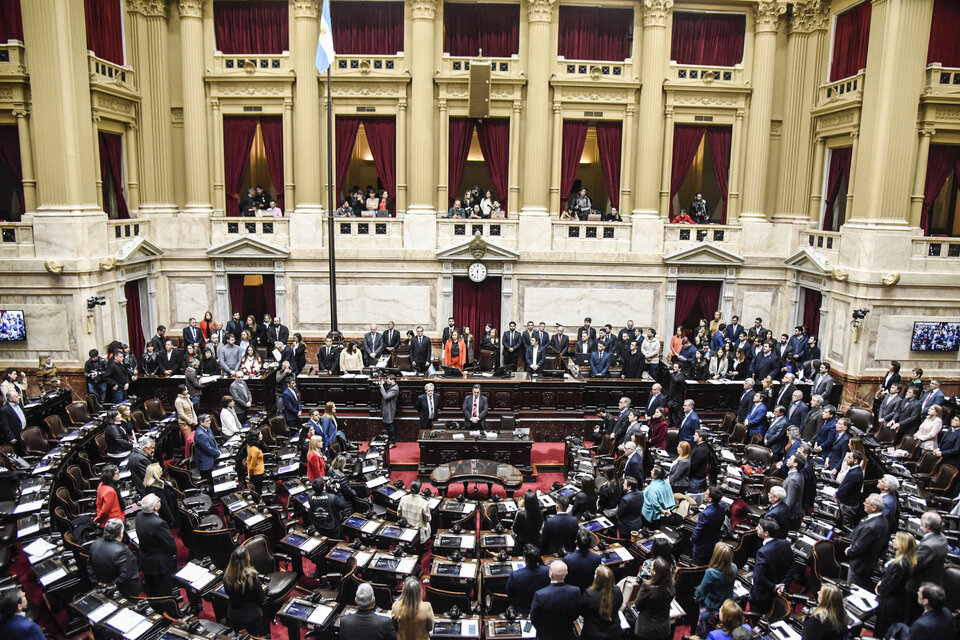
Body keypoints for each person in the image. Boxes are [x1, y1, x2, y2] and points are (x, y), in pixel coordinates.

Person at [872, 531, 915, 637]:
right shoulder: (911, 562)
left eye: (896, 539)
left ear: (902, 544)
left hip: (890, 606)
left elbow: (884, 589)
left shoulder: (898, 565)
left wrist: (879, 587)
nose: (893, 540)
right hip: (901, 602)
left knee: (882, 632)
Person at [135, 493, 177, 597]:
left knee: (153, 589)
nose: (160, 502)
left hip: (146, 559)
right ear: (155, 507)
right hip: (160, 564)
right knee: (164, 591)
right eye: (158, 501)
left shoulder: (139, 516)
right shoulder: (158, 523)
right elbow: (171, 545)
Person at [845, 494, 889, 589]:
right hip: (868, 562)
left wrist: (849, 551)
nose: (864, 504)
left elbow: (858, 548)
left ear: (874, 508)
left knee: (852, 589)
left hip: (859, 565)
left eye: (867, 503)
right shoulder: (883, 519)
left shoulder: (871, 527)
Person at [87, 518, 141, 597]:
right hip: (123, 590)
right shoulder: (123, 551)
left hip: (101, 584)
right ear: (120, 533)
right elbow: (125, 576)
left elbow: (89, 565)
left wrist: (96, 581)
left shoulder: (95, 544)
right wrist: (110, 585)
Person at [529, 560, 581, 640]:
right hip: (566, 634)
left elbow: (534, 618)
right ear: (566, 574)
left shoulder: (540, 594)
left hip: (546, 634)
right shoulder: (575, 591)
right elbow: (576, 614)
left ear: (551, 574)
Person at [750, 518, 792, 616]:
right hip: (779, 591)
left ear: (766, 533)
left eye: (759, 527)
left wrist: (774, 587)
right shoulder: (785, 543)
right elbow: (791, 567)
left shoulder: (762, 552)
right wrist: (783, 584)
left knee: (756, 617)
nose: (756, 528)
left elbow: (758, 577)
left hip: (763, 595)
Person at [223, 546, 268, 636]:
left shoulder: (226, 574)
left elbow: (227, 592)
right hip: (251, 617)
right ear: (247, 559)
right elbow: (261, 598)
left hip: (233, 615)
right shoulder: (252, 576)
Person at [694, 543, 737, 636]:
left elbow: (700, 594)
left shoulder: (711, 573)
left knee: (705, 634)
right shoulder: (734, 568)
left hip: (711, 610)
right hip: (727, 608)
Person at [633, 557, 674, 640]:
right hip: (663, 628)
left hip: (647, 630)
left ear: (654, 572)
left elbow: (638, 606)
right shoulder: (671, 587)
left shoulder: (646, 588)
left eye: (651, 566)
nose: (650, 567)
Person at [580, 565, 622, 640]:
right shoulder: (617, 591)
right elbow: (619, 605)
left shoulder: (589, 593)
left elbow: (583, 612)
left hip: (593, 633)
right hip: (613, 632)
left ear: (597, 579)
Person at [691, 487, 726, 565]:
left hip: (701, 547)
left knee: (698, 568)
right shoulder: (722, 508)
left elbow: (698, 531)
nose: (704, 495)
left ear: (710, 499)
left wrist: (692, 539)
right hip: (714, 544)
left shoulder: (705, 514)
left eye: (706, 494)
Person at [398, 480, 431, 545]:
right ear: (420, 489)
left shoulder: (403, 498)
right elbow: (428, 519)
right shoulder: (424, 503)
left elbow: (398, 514)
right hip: (418, 532)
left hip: (406, 528)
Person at [192, 413, 220, 483]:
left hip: (212, 457)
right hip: (205, 462)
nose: (210, 422)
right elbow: (208, 448)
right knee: (207, 481)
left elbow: (214, 441)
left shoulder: (208, 428)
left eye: (209, 420)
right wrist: (217, 453)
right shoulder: (200, 434)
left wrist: (217, 451)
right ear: (201, 423)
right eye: (207, 421)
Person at [379, 375, 399, 446]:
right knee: (388, 425)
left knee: (389, 426)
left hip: (389, 409)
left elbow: (386, 397)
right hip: (387, 408)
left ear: (392, 380)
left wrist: (381, 387)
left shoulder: (395, 389)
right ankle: (390, 440)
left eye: (388, 381)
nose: (387, 382)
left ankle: (393, 442)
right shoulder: (392, 386)